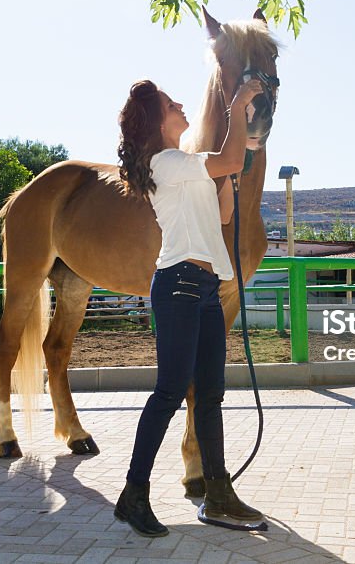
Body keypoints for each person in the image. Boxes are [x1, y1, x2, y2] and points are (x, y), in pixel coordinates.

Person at [113, 77, 265, 537]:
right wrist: (237, 106)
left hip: (204, 287)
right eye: (169, 102)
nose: (179, 104)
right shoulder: (166, 161)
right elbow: (231, 156)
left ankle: (217, 495)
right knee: (170, 392)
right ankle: (133, 494)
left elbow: (221, 214)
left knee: (211, 395)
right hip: (178, 283)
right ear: (156, 121)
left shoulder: (187, 166)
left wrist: (227, 179)